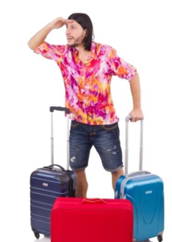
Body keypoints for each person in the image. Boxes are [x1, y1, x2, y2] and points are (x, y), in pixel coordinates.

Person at [28, 13, 144, 198]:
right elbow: (32, 44)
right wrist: (51, 25)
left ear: (86, 31)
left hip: (105, 127)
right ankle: (81, 214)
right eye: (66, 27)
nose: (67, 32)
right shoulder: (64, 54)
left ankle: (121, 211)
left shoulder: (105, 54)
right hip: (78, 126)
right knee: (77, 172)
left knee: (115, 170)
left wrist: (137, 107)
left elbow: (132, 74)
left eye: (72, 27)